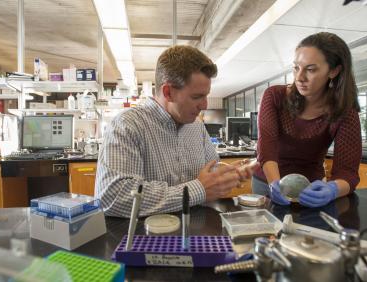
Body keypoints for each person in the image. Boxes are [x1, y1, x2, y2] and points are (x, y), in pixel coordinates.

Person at [96, 45, 257, 218]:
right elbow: (112, 197)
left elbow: (210, 171)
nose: (204, 106)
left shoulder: (196, 126)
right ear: (168, 92)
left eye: (206, 95)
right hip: (149, 239)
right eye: (196, 97)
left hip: (197, 232)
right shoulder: (127, 125)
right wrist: (198, 190)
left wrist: (227, 174)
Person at [252, 32, 362, 208]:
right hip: (267, 182)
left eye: (310, 69)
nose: (299, 77)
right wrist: (276, 184)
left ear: (334, 71)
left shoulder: (345, 112)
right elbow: (267, 147)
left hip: (309, 190)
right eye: (296, 67)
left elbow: (348, 172)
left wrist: (332, 189)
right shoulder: (274, 96)